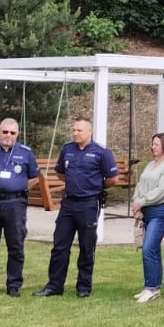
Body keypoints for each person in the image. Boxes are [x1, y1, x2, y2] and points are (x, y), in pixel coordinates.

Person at [35, 117, 120, 298]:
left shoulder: (101, 152)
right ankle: (54, 286)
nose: (75, 133)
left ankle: (83, 287)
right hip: (68, 204)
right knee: (59, 246)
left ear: (89, 131)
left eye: (79, 130)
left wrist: (93, 186)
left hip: (89, 204)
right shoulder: (67, 149)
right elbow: (60, 172)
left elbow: (113, 179)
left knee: (86, 246)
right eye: (73, 130)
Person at [0, 117, 40, 297]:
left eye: (12, 132)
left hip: (15, 204)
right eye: (5, 132)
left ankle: (13, 284)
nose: (8, 135)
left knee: (16, 244)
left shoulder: (26, 153)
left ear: (17, 134)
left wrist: (18, 188)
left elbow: (34, 177)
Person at [129, 132, 164, 304]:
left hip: (161, 211)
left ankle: (150, 287)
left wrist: (142, 202)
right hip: (147, 211)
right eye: (152, 144)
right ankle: (154, 287)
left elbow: (162, 190)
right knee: (153, 250)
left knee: (148, 248)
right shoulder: (151, 164)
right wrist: (136, 202)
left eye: (156, 144)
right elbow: (141, 185)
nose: (152, 147)